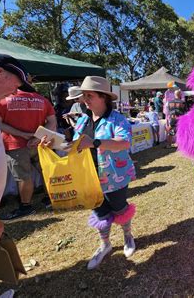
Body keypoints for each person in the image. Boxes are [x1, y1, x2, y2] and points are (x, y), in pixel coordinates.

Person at [70, 76, 137, 269]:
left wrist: (95, 143)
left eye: (89, 95)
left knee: (119, 208)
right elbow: (76, 144)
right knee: (99, 213)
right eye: (84, 96)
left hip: (115, 176)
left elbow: (124, 142)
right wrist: (54, 143)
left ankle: (127, 236)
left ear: (103, 97)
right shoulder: (83, 120)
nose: (85, 99)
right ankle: (105, 244)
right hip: (89, 177)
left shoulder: (117, 119)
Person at [0, 81, 56, 220]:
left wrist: (22, 134)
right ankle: (51, 198)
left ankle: (26, 206)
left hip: (15, 144)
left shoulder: (2, 99)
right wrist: (38, 136)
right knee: (46, 172)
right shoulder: (42, 99)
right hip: (40, 143)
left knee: (23, 176)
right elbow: (52, 122)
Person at [0, 54, 35, 239]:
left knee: (24, 176)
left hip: (19, 146)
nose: (14, 92)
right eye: (15, 85)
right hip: (18, 146)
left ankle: (25, 205)